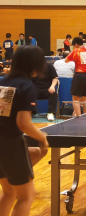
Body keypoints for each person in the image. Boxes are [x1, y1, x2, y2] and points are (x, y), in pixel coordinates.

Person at [0, 45, 49, 216]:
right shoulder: (26, 87)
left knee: (9, 192)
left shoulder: (2, 82)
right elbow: (23, 123)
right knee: (26, 196)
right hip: (10, 144)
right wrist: (42, 138)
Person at [65, 36, 86, 116]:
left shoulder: (76, 50)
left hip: (79, 75)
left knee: (75, 98)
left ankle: (78, 117)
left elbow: (66, 60)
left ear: (76, 44)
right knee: (85, 98)